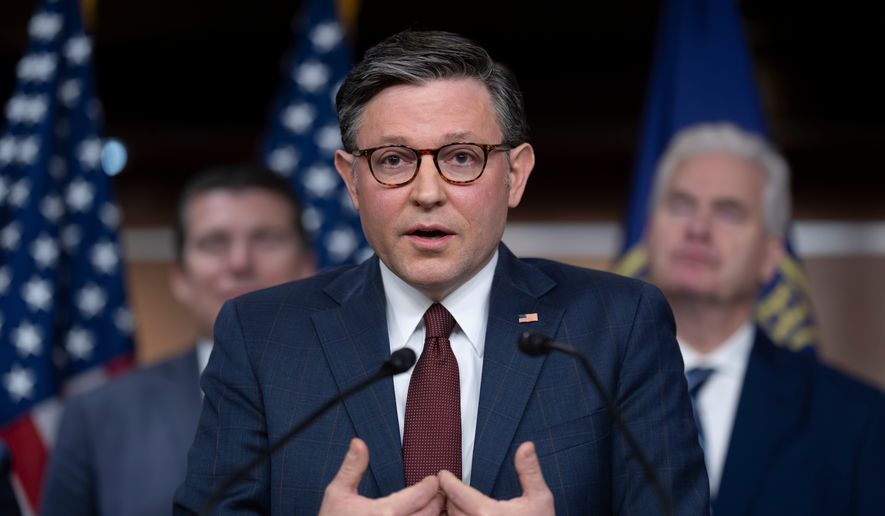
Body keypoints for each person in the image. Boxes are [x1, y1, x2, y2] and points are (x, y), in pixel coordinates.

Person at [174, 30, 709, 515]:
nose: (427, 194)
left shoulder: (618, 326)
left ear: (515, 175)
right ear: (351, 180)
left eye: (460, 158)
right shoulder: (262, 335)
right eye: (392, 160)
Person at [40, 163, 316, 516]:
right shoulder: (98, 415)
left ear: (308, 265)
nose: (239, 262)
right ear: (180, 277)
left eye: (266, 239)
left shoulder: (381, 394)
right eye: (213, 243)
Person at [644, 122, 885, 516]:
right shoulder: (578, 393)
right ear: (650, 231)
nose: (698, 228)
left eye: (728, 211)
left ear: (772, 255)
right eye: (681, 204)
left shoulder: (856, 420)